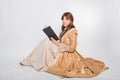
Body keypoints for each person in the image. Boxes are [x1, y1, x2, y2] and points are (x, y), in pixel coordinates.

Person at [20, 12, 108, 78]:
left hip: (67, 54)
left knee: (47, 42)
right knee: (46, 41)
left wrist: (55, 42)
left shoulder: (73, 31)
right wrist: (56, 40)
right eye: (63, 19)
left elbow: (72, 48)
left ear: (71, 21)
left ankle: (38, 62)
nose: (64, 21)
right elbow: (63, 42)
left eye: (67, 19)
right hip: (61, 49)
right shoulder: (65, 29)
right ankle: (33, 59)